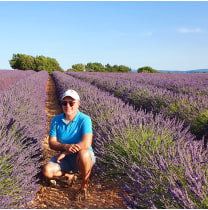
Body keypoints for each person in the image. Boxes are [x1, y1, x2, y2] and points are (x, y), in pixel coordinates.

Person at [43, 89, 96, 200]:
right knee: (47, 171)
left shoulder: (85, 119)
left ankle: (83, 187)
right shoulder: (56, 120)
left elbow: (86, 143)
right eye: (64, 103)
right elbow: (52, 143)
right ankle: (69, 174)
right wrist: (65, 147)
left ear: (78, 104)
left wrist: (65, 152)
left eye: (71, 103)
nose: (68, 105)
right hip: (66, 159)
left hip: (82, 157)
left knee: (84, 153)